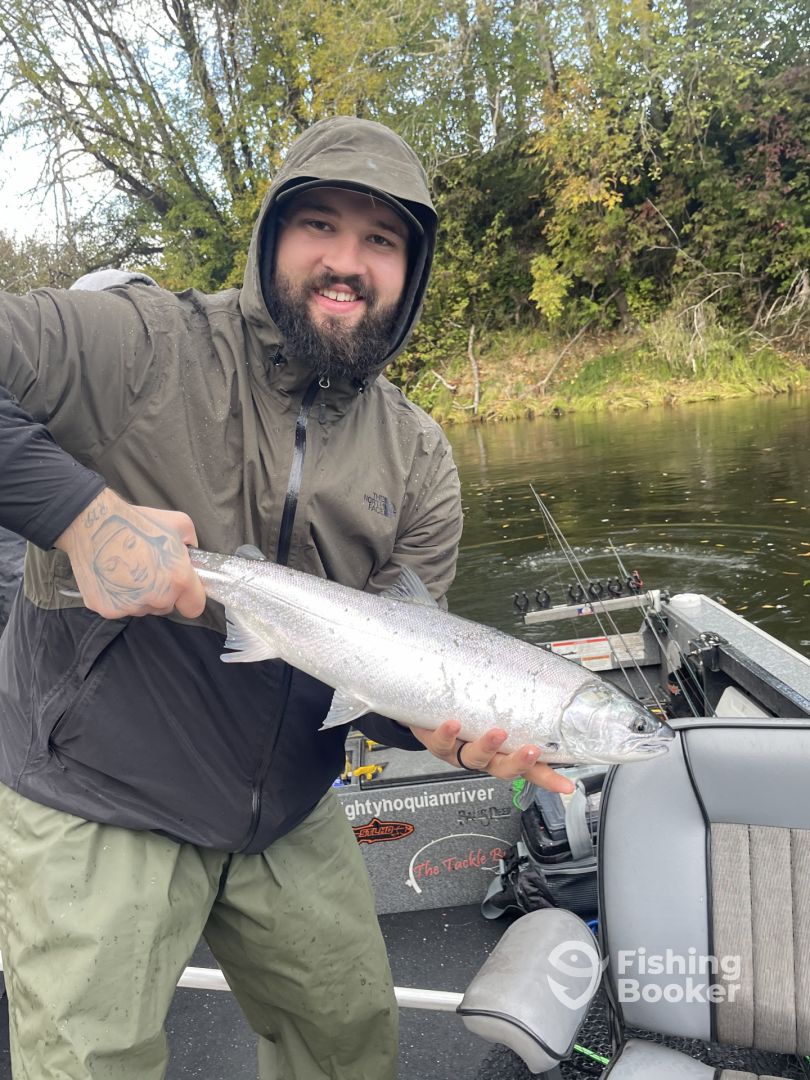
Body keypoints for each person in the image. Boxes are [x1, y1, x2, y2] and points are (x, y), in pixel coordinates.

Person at [0, 116, 572, 1080]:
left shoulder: (419, 458)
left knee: (350, 1045)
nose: (345, 262)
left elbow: (387, 675)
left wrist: (431, 728)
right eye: (319, 225)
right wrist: (80, 517)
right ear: (271, 234)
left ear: (411, 271)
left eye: (381, 239)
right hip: (98, 789)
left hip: (287, 809)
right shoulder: (139, 344)